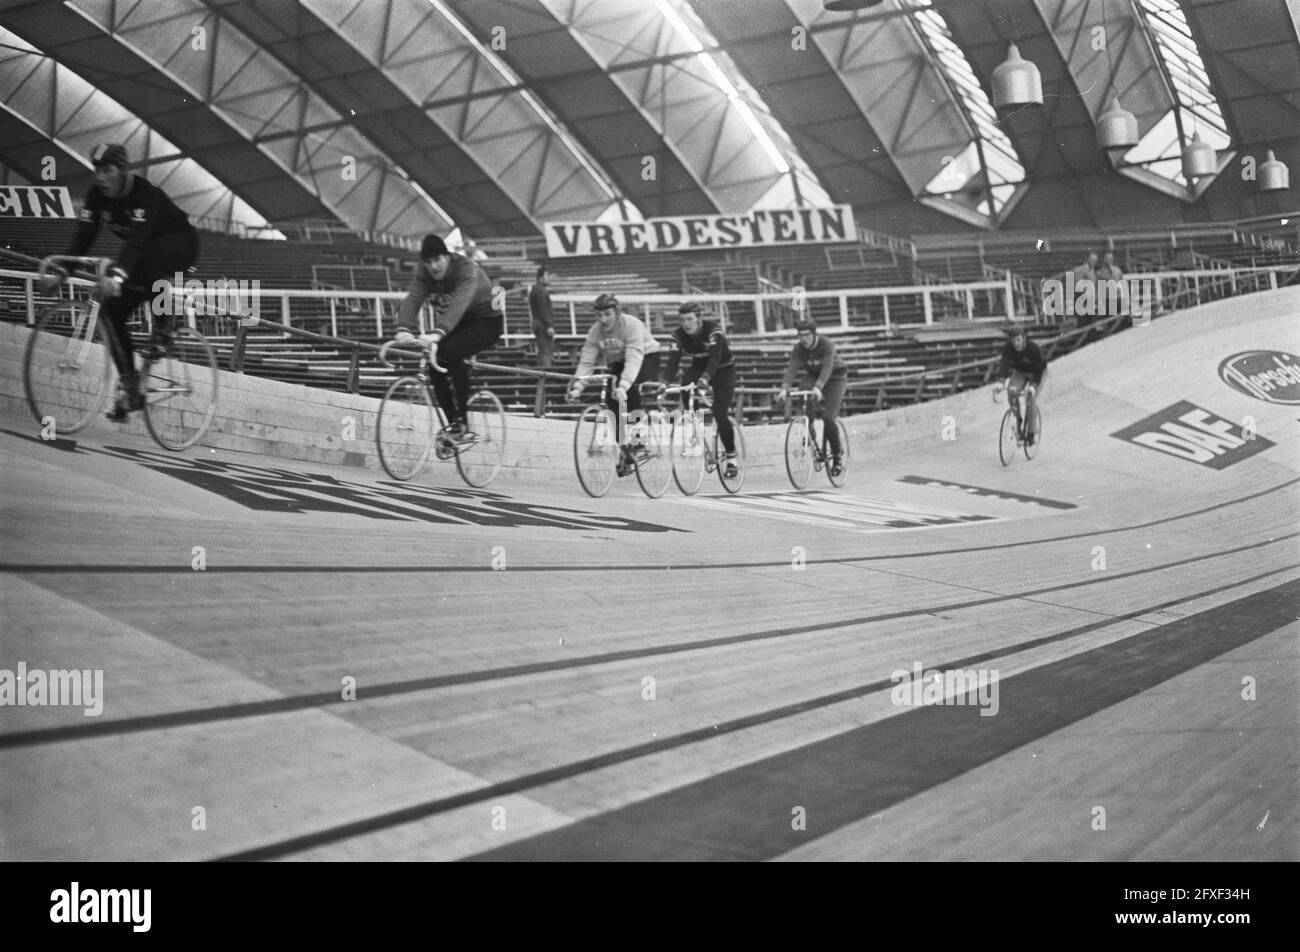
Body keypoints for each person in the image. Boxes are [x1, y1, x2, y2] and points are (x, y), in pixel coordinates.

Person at [38, 143, 199, 421]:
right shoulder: (97, 196)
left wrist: (117, 276)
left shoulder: (146, 195)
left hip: (180, 244)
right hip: (144, 252)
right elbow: (83, 239)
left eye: (107, 170)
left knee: (144, 259)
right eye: (97, 170)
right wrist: (62, 272)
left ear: (123, 171)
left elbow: (137, 241)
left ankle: (166, 322)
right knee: (110, 314)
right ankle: (131, 385)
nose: (100, 177)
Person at [393, 233, 502, 441]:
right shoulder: (424, 274)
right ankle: (454, 427)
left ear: (448, 257)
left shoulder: (466, 269)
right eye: (428, 262)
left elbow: (460, 302)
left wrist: (438, 332)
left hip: (486, 321)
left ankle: (461, 423)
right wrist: (404, 328)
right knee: (434, 363)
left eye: (438, 260)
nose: (434, 266)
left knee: (451, 351)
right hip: (457, 323)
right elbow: (413, 298)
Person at [566, 293, 662, 477]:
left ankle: (640, 442)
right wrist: (578, 386)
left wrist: (624, 385)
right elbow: (587, 362)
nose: (603, 320)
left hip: (647, 357)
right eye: (599, 315)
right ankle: (625, 452)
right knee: (613, 404)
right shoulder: (595, 331)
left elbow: (634, 357)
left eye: (608, 314)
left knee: (629, 388)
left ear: (617, 313)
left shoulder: (630, 324)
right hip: (620, 361)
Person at [660, 302, 739, 479]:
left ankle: (732, 457)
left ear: (699, 319)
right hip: (698, 366)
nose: (686, 324)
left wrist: (705, 379)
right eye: (682, 320)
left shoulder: (714, 331)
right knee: (686, 383)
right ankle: (695, 427)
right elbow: (673, 362)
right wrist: (664, 382)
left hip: (723, 369)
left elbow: (715, 358)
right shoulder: (677, 336)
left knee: (719, 413)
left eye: (690, 319)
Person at [776, 319, 848, 478]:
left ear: (814, 334)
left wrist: (819, 386)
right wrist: (784, 388)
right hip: (813, 375)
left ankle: (837, 456)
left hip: (835, 377)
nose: (803, 339)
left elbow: (828, 367)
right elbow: (792, 368)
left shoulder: (826, 344)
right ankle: (810, 432)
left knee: (828, 417)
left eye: (807, 335)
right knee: (803, 391)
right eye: (800, 335)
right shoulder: (799, 349)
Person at [996, 324, 1047, 445]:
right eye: (1013, 340)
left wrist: (1034, 386)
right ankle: (1017, 418)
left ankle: (1031, 433)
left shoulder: (1033, 348)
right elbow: (1005, 364)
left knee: (1030, 398)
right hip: (1020, 372)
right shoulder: (1008, 348)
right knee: (1011, 390)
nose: (1016, 343)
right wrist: (1001, 382)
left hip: (1036, 373)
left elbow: (1040, 369)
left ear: (1023, 338)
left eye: (1018, 340)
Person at [528, 266, 556, 369]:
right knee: (546, 352)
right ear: (540, 277)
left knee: (543, 352)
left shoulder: (536, 289)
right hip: (542, 325)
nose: (548, 278)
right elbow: (543, 309)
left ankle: (542, 377)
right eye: (546, 275)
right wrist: (549, 325)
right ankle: (546, 377)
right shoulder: (541, 290)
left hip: (538, 324)